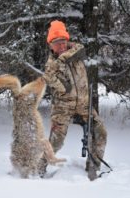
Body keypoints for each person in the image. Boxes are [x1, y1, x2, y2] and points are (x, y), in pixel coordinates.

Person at [38, 20, 108, 180]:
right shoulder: (50, 67)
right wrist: (54, 72)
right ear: (50, 46)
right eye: (56, 44)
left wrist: (63, 60)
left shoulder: (76, 51)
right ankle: (39, 166)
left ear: (67, 41)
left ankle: (93, 165)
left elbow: (81, 49)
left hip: (84, 104)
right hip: (63, 107)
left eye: (63, 42)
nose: (61, 46)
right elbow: (65, 88)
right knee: (56, 142)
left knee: (100, 132)